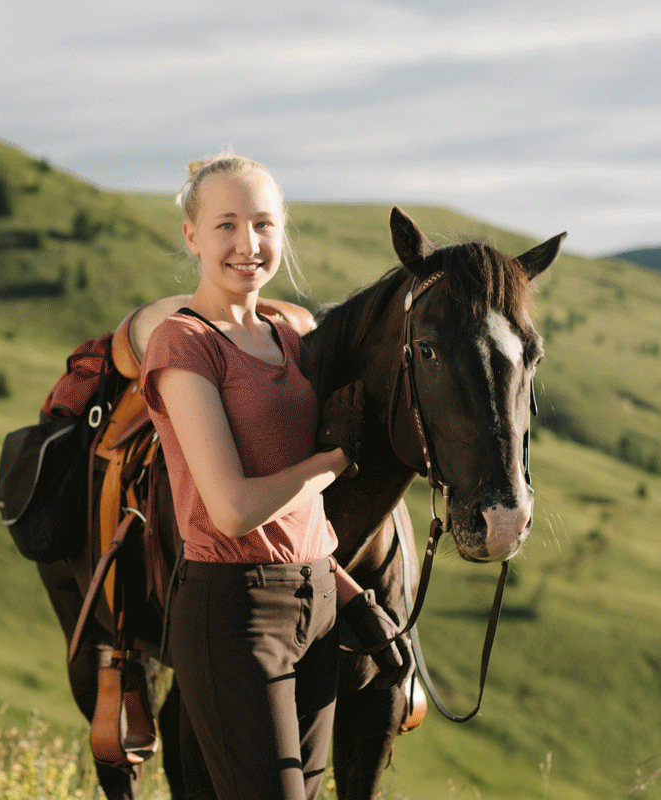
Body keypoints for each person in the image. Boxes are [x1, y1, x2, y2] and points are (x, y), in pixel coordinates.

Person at [140, 152, 404, 800]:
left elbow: (300, 516)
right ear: (192, 236)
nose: (247, 244)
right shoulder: (183, 344)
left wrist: (353, 599)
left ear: (281, 231)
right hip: (235, 610)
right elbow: (232, 509)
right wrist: (334, 462)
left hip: (315, 597)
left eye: (262, 224)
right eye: (226, 224)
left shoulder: (290, 339)